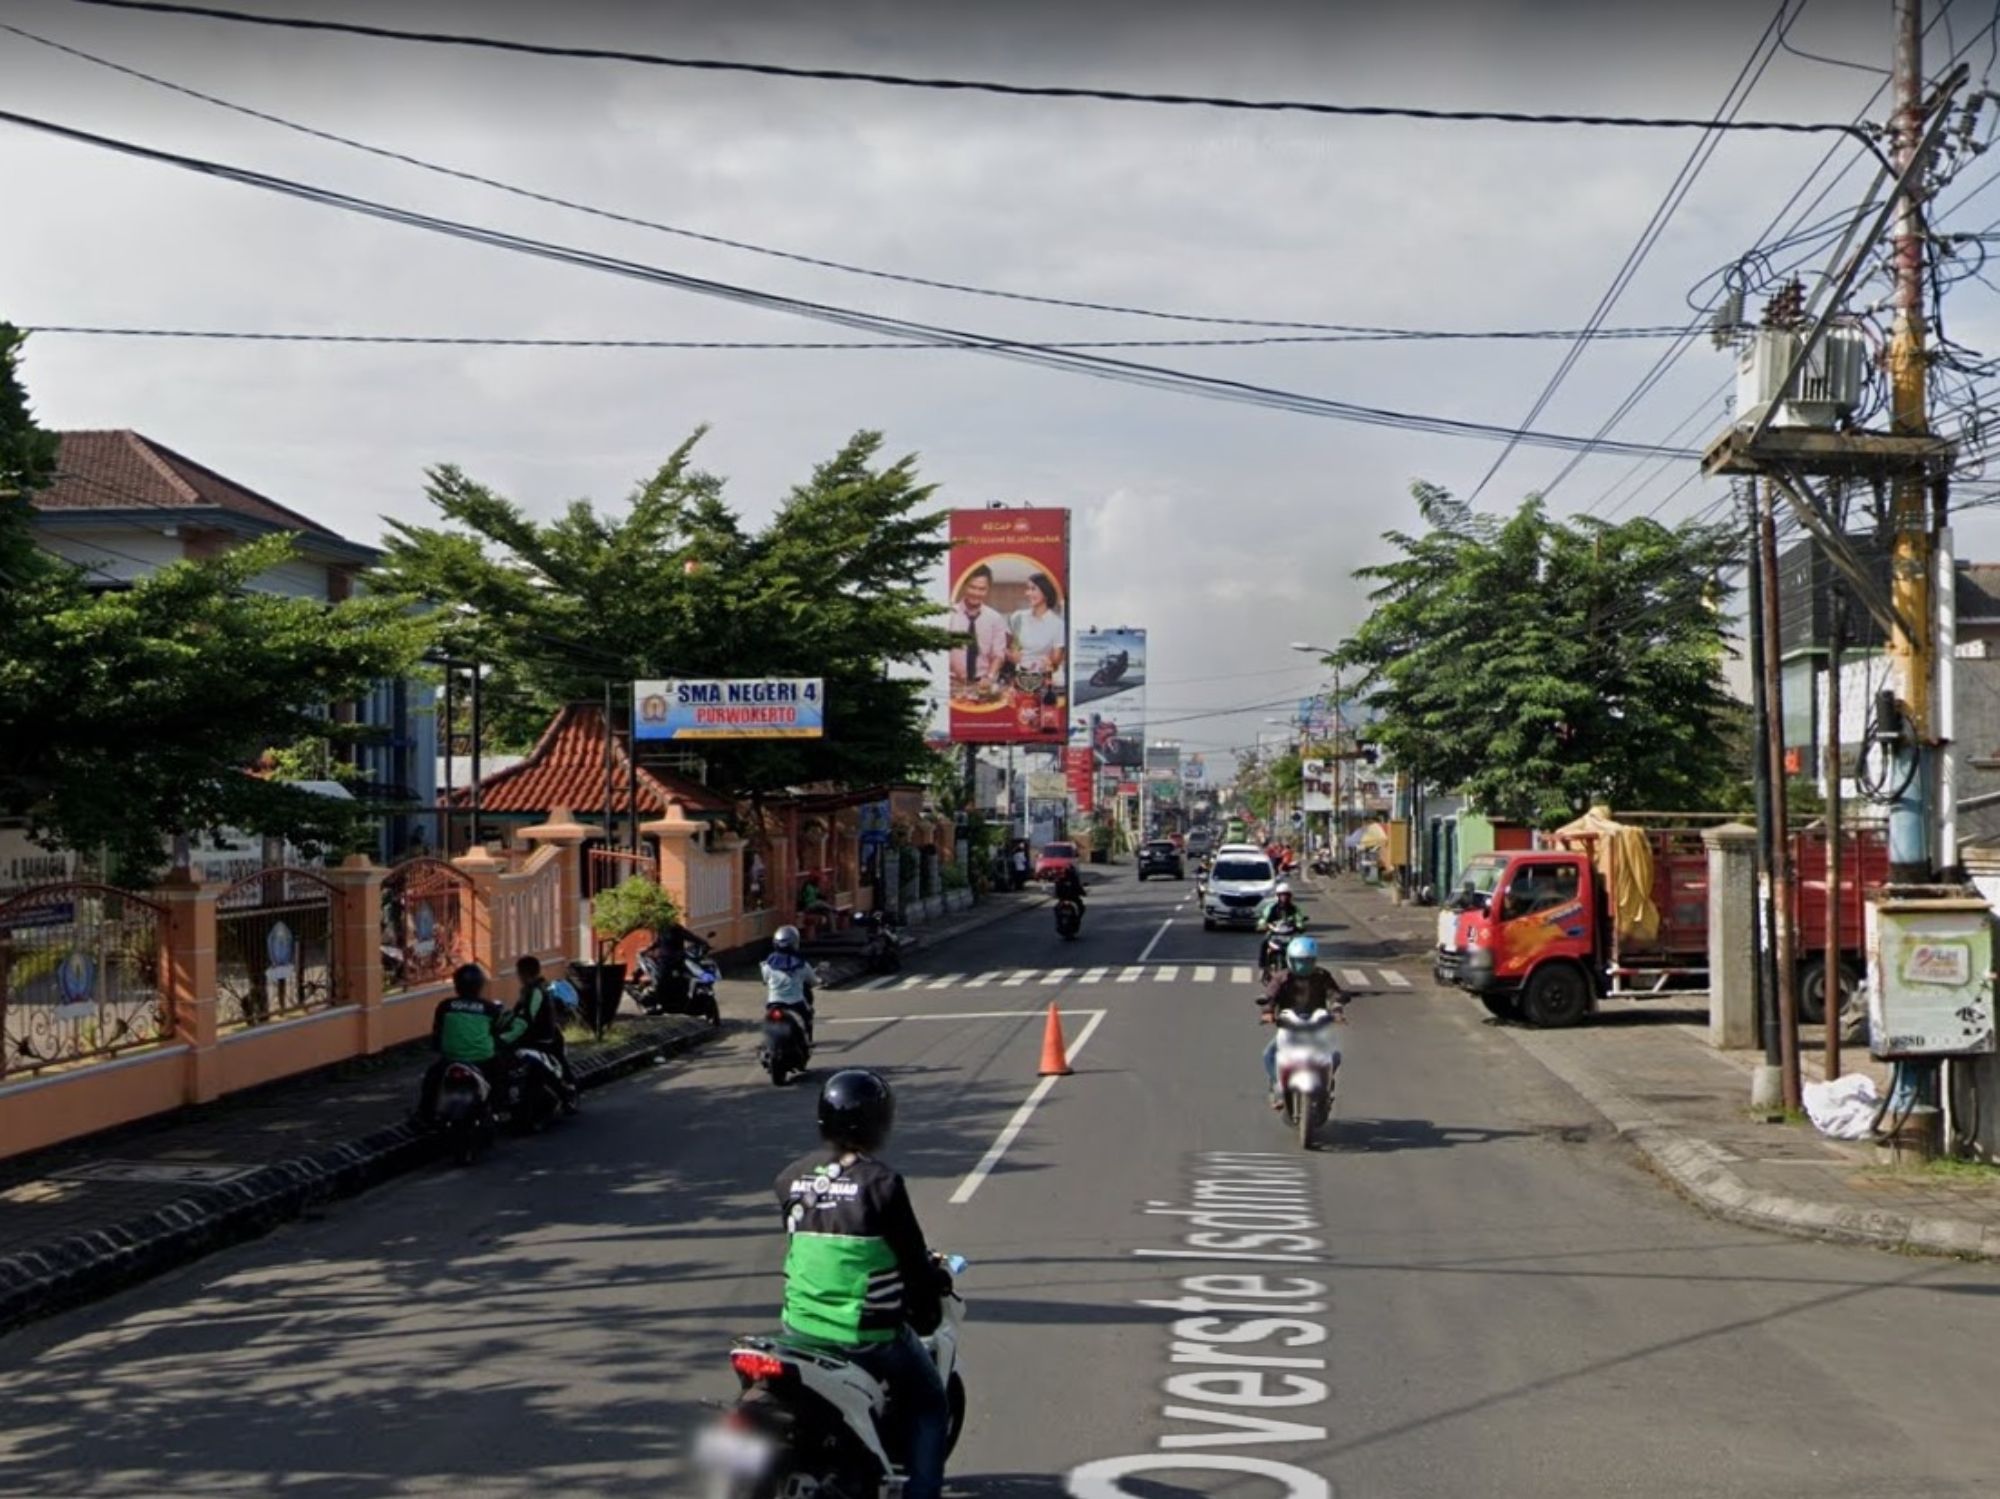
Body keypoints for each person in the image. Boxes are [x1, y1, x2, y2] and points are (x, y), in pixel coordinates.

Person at [775, 1070, 952, 1499]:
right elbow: (913, 1263)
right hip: (864, 1334)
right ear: (879, 1123)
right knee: (930, 1407)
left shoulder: (790, 1178)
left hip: (796, 1328)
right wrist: (935, 1285)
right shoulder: (882, 1185)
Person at [1258, 935, 1344, 1110]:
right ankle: (1277, 1085)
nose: (1302, 966)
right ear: (1290, 959)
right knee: (1269, 1054)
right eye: (1298, 961)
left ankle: (1327, 1084)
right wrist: (1267, 1011)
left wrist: (1337, 1009)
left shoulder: (1322, 976)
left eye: (1307, 961)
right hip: (1289, 1025)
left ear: (1314, 960)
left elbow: (1334, 994)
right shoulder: (1281, 977)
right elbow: (1270, 995)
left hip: (1317, 1025)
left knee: (1334, 1054)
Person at [417, 963, 511, 1122]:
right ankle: (500, 1110)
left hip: (451, 1058)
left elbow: (438, 1032)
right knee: (500, 1076)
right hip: (482, 1059)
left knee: (432, 1079)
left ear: (457, 985)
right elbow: (498, 1030)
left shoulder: (445, 1006)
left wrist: (439, 1047)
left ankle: (424, 1114)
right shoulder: (489, 1008)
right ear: (479, 986)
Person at [508, 955, 578, 1103]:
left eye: (519, 973)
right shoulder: (533, 989)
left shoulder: (535, 991)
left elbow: (527, 1017)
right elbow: (517, 1014)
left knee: (549, 1066)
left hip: (541, 1037)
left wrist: (511, 1033)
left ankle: (566, 1093)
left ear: (523, 974)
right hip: (539, 1035)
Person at [947, 564, 1009, 699]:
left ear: (988, 589)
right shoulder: (948, 614)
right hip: (951, 685)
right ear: (964, 585)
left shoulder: (995, 618)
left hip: (982, 686)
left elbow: (998, 654)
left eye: (982, 589)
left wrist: (989, 677)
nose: (976, 593)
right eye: (972, 587)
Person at [1007, 571, 1067, 685]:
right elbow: (1007, 647)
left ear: (1046, 592)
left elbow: (1056, 661)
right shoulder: (1018, 617)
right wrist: (1011, 655)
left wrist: (1049, 664)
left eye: (1033, 589)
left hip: (1042, 679)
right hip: (1017, 677)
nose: (1027, 593)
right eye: (1028, 589)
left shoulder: (1058, 624)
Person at [762, 924, 817, 1043]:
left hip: (773, 1003)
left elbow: (765, 980)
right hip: (796, 1002)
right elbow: (813, 982)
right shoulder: (802, 965)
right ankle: (809, 1041)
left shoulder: (768, 965)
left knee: (767, 1021)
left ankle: (766, 1042)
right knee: (808, 1016)